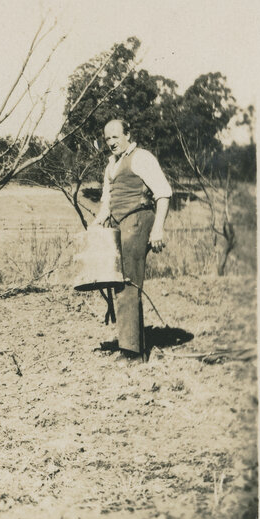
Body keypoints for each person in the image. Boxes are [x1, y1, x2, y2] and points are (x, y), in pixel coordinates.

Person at [91, 119, 172, 363]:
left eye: (116, 137)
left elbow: (164, 192)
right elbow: (107, 201)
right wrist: (96, 223)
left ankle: (133, 352)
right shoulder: (111, 165)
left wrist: (157, 229)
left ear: (128, 134)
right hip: (117, 225)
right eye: (107, 139)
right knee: (118, 281)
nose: (111, 142)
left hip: (137, 222)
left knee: (127, 282)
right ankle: (130, 342)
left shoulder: (141, 157)